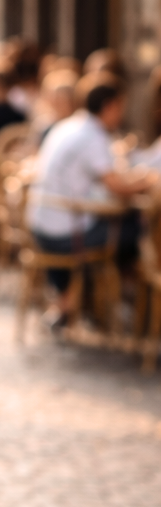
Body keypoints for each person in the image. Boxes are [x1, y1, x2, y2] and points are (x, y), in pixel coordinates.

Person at [27, 74, 156, 322]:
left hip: (41, 224)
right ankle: (121, 300)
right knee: (135, 231)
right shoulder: (92, 136)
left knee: (123, 228)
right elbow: (118, 186)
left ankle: (77, 299)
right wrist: (148, 180)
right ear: (110, 106)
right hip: (62, 233)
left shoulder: (69, 125)